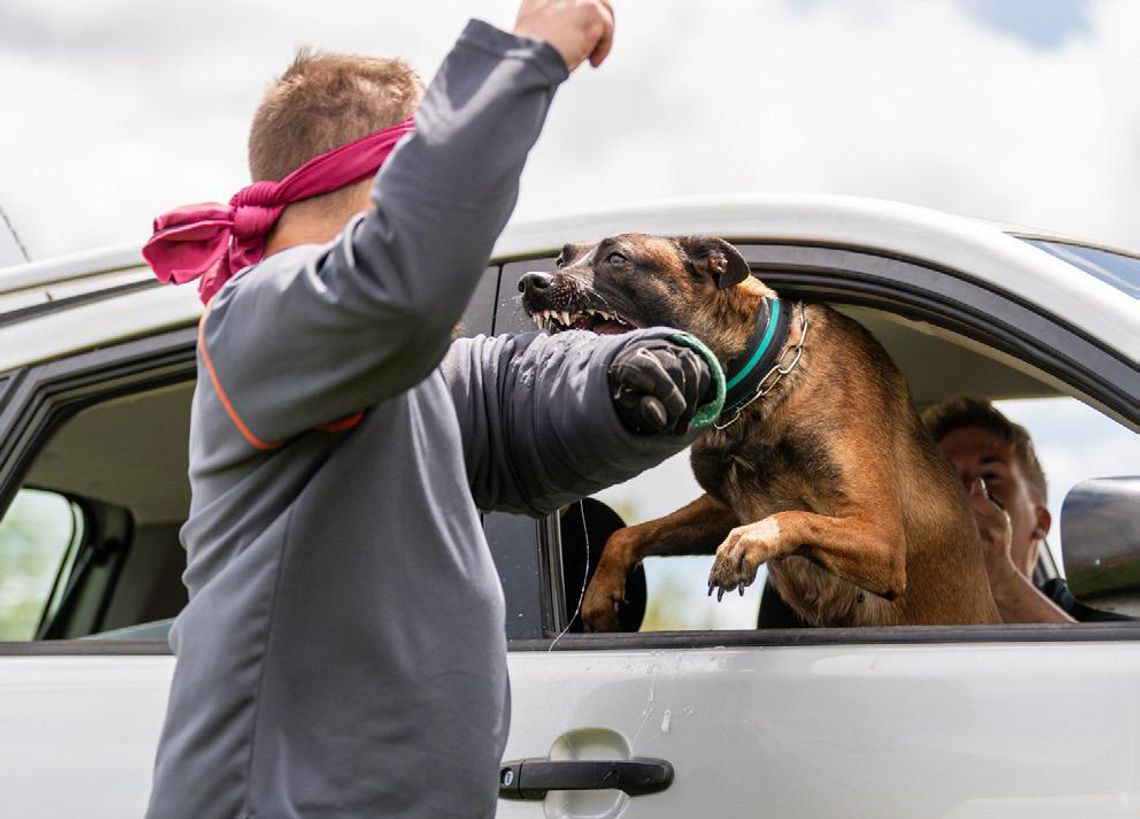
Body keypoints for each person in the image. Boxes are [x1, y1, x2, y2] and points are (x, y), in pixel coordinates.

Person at [140, 3, 726, 817]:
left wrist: (631, 375)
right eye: (438, 180)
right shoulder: (259, 319)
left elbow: (515, 391)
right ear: (395, 189)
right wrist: (520, 61)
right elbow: (401, 287)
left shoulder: (404, 378)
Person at [925, 395, 1130, 623]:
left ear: (1041, 523)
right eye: (946, 477)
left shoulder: (1093, 608)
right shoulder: (893, 615)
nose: (965, 493)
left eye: (989, 477)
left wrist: (1000, 580)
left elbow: (1113, 659)